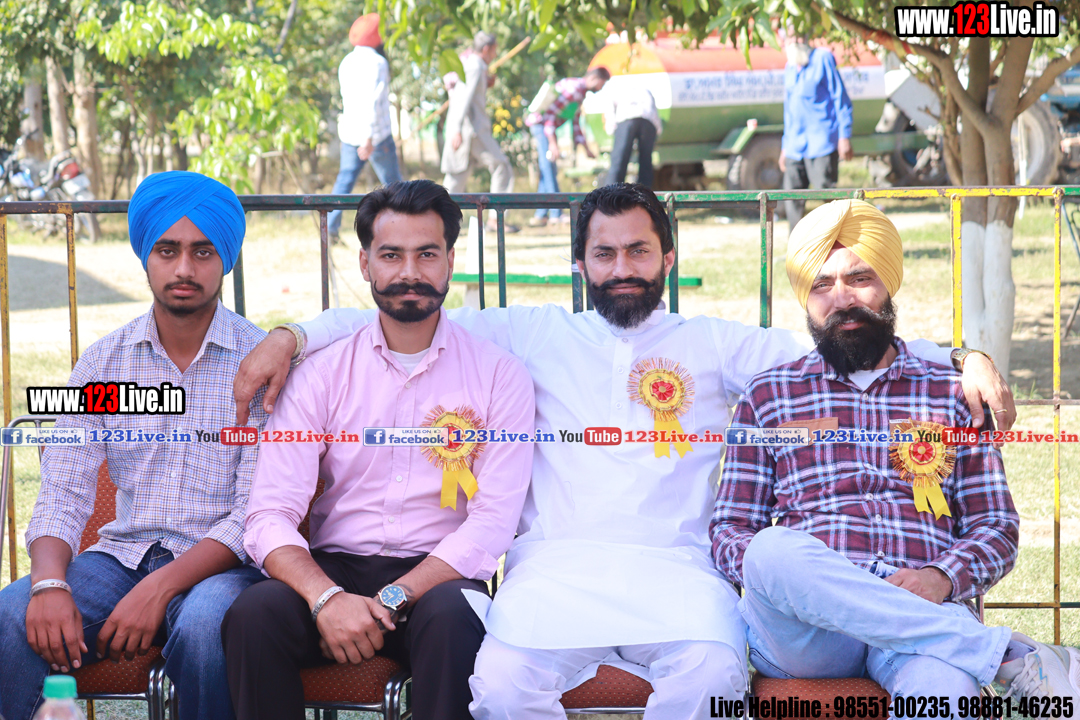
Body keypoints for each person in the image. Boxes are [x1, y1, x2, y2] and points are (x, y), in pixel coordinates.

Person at [231, 184, 1015, 719]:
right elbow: (401, 308)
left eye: (639, 252)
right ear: (580, 266)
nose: (622, 270)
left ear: (668, 259)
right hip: (554, 571)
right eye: (604, 255)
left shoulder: (717, 343)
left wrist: (963, 357)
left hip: (678, 571)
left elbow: (846, 337)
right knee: (499, 688)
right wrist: (290, 336)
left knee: (713, 685)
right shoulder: (531, 333)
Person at [711, 198, 1079, 700]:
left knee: (944, 693)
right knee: (771, 550)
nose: (842, 298)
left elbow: (996, 526)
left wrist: (940, 577)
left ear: (889, 283)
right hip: (806, 632)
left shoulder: (949, 393)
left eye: (859, 278)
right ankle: (1007, 656)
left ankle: (980, 653)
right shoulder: (769, 395)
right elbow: (730, 530)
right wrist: (821, 583)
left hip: (923, 603)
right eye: (821, 285)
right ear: (805, 299)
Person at [221, 180, 535, 720]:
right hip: (335, 570)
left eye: (427, 254)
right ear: (365, 263)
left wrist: (396, 596)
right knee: (254, 615)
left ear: (450, 261)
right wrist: (326, 598)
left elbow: (493, 521)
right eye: (391, 255)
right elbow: (269, 513)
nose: (410, 272)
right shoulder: (321, 374)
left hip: (440, 575)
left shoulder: (498, 375)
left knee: (454, 622)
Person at [0, 171, 269, 720]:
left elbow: (254, 512)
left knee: (206, 628)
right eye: (167, 250)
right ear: (146, 256)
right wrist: (48, 583)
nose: (184, 268)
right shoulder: (104, 362)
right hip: (121, 558)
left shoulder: (260, 363)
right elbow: (63, 487)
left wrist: (162, 588)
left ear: (226, 259)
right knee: (9, 617)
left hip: (225, 568)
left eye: (202, 251)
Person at [328, 13, 404, 245]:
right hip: (376, 136)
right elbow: (372, 101)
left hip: (350, 134)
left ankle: (329, 229)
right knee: (395, 186)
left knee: (344, 182)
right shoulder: (378, 63)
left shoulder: (346, 61)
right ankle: (404, 228)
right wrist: (368, 137)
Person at [442, 32, 519, 233]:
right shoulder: (475, 65)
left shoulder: (472, 64)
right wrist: (457, 129)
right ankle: (496, 219)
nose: (495, 54)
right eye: (494, 50)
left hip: (467, 129)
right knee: (502, 166)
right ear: (486, 49)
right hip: (472, 131)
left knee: (457, 176)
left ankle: (438, 220)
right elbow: (463, 98)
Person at [780, 32, 853, 232]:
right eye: (790, 38)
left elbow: (840, 98)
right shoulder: (789, 67)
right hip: (795, 145)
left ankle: (839, 241)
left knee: (828, 196)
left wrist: (844, 136)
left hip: (821, 142)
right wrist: (785, 146)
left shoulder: (823, 58)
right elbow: (789, 110)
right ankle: (795, 247)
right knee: (791, 199)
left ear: (807, 37)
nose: (796, 42)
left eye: (799, 36)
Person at [524, 67, 610, 227]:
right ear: (594, 79)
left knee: (547, 169)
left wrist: (586, 148)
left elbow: (575, 123)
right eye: (602, 84)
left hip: (547, 128)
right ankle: (556, 213)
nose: (601, 88)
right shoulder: (574, 90)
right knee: (548, 167)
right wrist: (552, 143)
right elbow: (549, 116)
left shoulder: (580, 93)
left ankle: (540, 215)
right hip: (541, 126)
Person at [600, 84, 662, 187]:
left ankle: (612, 191)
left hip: (626, 118)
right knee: (646, 161)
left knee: (619, 159)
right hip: (648, 120)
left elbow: (610, 108)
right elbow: (654, 111)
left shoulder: (617, 88)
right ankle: (644, 192)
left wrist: (611, 128)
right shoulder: (645, 90)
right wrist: (658, 130)